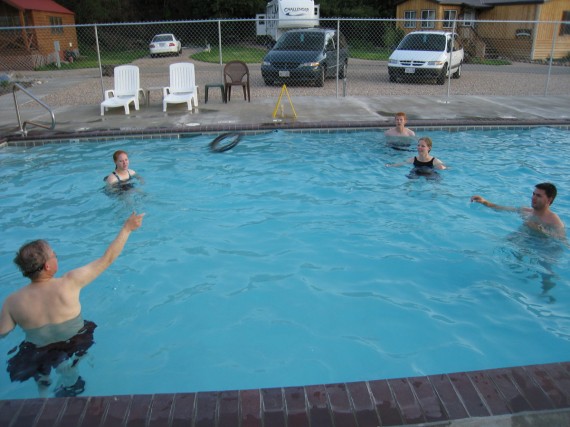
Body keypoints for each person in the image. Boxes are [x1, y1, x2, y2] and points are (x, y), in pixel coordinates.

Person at [0, 212, 144, 397]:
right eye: (54, 255)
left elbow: (3, 333)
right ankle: (69, 379)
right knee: (69, 362)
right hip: (74, 341)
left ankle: (43, 392)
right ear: (47, 266)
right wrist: (127, 228)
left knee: (41, 367)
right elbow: (107, 259)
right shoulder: (69, 283)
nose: (56, 257)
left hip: (38, 350)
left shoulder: (12, 301)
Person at [471, 183, 565, 239]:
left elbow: (561, 241)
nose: (533, 198)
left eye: (538, 196)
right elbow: (499, 208)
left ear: (549, 200)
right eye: (533, 194)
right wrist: (484, 201)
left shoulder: (554, 221)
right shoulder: (525, 211)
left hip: (542, 249)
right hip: (522, 240)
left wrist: (541, 231)